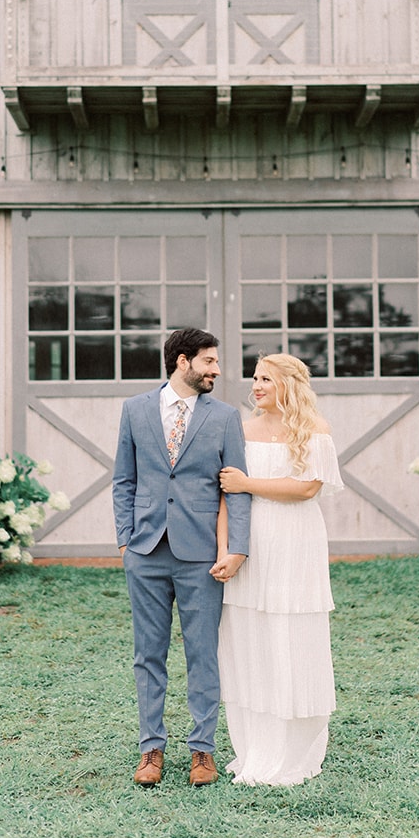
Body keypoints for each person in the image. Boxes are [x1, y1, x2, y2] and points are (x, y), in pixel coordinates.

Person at [113, 328, 251, 787]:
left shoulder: (226, 417)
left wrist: (236, 549)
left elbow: (238, 490)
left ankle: (202, 753)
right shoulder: (134, 410)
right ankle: (151, 750)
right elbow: (123, 480)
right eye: (209, 361)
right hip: (146, 551)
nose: (216, 370)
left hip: (201, 557)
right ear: (182, 362)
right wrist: (125, 539)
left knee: (202, 654)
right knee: (147, 655)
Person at [213, 353, 343, 786]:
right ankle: (255, 749)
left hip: (295, 543)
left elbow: (306, 487)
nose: (256, 386)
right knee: (250, 637)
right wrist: (228, 549)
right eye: (254, 378)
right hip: (252, 545)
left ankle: (292, 750)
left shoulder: (314, 431)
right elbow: (225, 497)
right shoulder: (242, 431)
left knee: (291, 634)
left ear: (288, 383)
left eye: (265, 378)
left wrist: (248, 483)